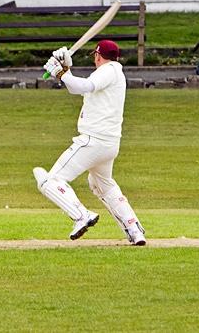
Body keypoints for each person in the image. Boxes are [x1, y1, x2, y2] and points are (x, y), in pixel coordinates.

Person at [33, 40, 146, 246]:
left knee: (51, 181)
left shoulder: (109, 70)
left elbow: (84, 85)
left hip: (93, 141)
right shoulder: (112, 73)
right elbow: (77, 89)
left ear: (97, 56)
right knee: (103, 186)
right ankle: (134, 229)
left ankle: (81, 215)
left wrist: (61, 73)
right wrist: (66, 70)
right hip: (108, 144)